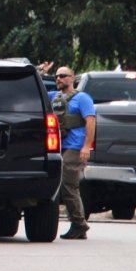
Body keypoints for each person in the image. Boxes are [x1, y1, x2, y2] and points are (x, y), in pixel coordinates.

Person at [40, 62, 97, 240]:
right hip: (58, 147)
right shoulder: (53, 96)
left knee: (68, 185)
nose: (59, 78)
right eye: (57, 76)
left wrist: (86, 147)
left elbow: (90, 122)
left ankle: (79, 224)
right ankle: (77, 224)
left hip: (75, 146)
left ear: (72, 78)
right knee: (64, 185)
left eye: (63, 75)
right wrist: (40, 73)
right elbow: (36, 91)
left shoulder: (82, 98)